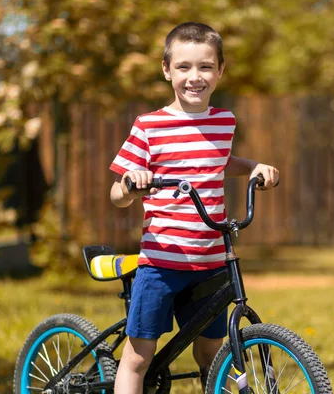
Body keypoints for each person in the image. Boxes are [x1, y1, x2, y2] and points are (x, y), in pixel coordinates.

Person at [109, 21, 279, 393]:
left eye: (205, 67)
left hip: (211, 260)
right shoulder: (149, 126)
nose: (194, 77)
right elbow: (116, 194)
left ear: (220, 70)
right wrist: (131, 185)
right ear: (167, 70)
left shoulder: (224, 121)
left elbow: (218, 160)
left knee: (210, 353)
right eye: (184, 67)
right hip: (161, 261)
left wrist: (254, 167)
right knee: (139, 357)